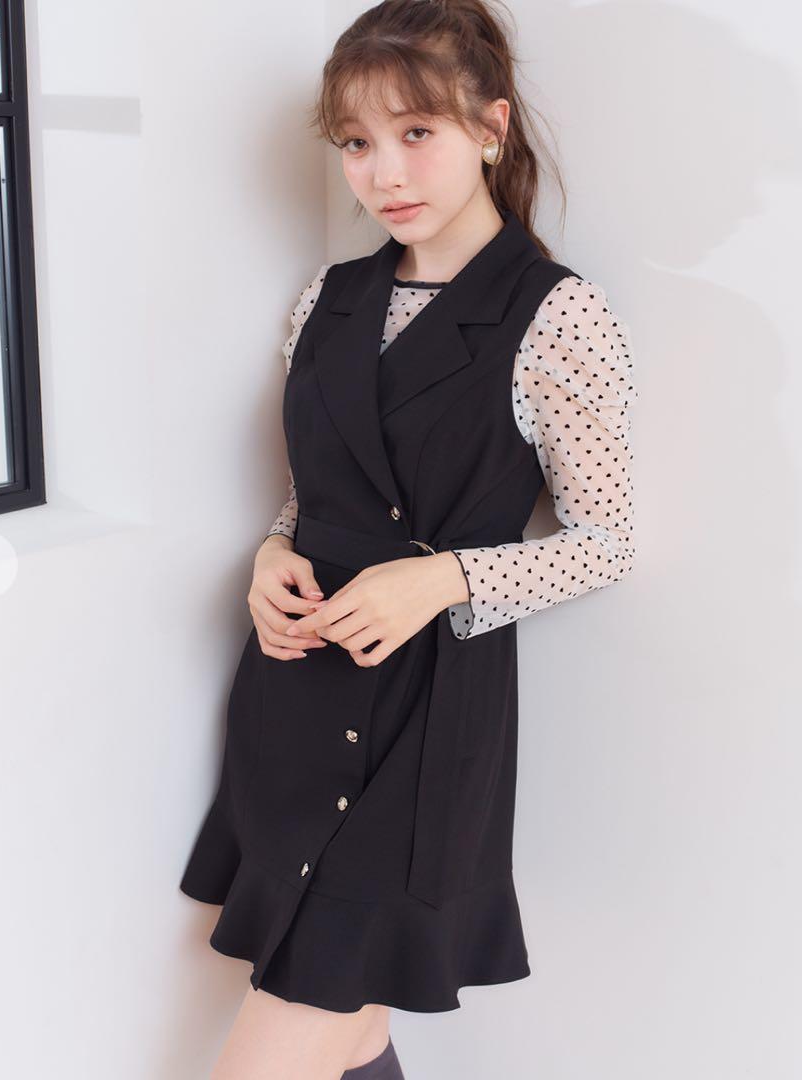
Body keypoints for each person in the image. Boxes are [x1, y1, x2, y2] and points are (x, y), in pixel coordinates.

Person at [179, 1, 639, 1077]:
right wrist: (270, 558)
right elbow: (312, 492)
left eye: (415, 132)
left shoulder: (556, 314)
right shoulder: (327, 300)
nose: (383, 171)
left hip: (425, 727)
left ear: (490, 127)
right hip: (294, 696)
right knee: (350, 1030)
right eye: (356, 142)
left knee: (296, 1025)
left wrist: (439, 581)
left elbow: (607, 540)